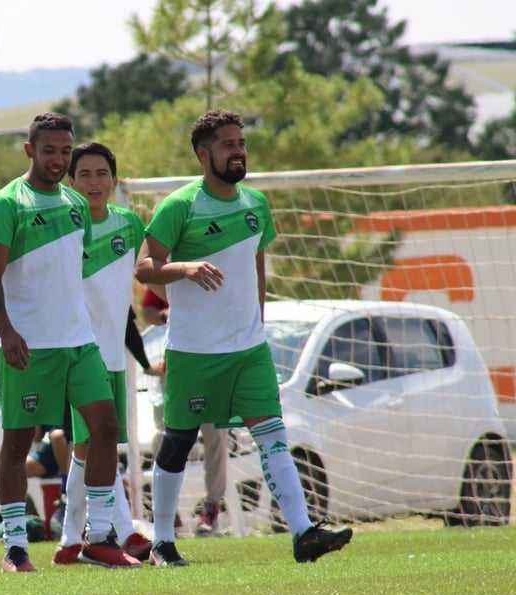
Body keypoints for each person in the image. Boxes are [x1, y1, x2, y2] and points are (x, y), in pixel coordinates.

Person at [134, 109, 353, 565]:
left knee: (273, 436)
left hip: (248, 350)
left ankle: (303, 533)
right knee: (178, 441)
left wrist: (259, 323)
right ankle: (161, 543)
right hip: (194, 352)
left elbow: (256, 265)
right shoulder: (180, 206)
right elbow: (144, 268)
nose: (238, 151)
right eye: (228, 144)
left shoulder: (255, 203)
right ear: (203, 153)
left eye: (241, 143)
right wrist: (186, 268)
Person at [0, 113, 140, 571]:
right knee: (18, 441)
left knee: (105, 428)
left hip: (78, 342)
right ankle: (14, 547)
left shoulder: (74, 203)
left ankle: (100, 537)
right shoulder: (7, 203)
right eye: (49, 150)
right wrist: (7, 331)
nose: (58, 158)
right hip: (28, 346)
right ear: (30, 150)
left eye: (65, 151)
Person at [51, 142, 156, 565]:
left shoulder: (129, 225)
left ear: (114, 180)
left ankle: (69, 540)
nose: (94, 183)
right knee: (97, 443)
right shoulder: (63, 228)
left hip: (114, 354)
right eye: (85, 175)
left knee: (87, 447)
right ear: (70, 182)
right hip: (79, 354)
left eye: (102, 174)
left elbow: (134, 294)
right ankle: (125, 531)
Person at [141, 287, 230, 536]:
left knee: (216, 433)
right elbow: (146, 310)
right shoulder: (168, 265)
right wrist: (164, 315)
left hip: (213, 365)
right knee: (165, 436)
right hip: (176, 369)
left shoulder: (216, 264)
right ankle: (167, 511)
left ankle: (211, 508)